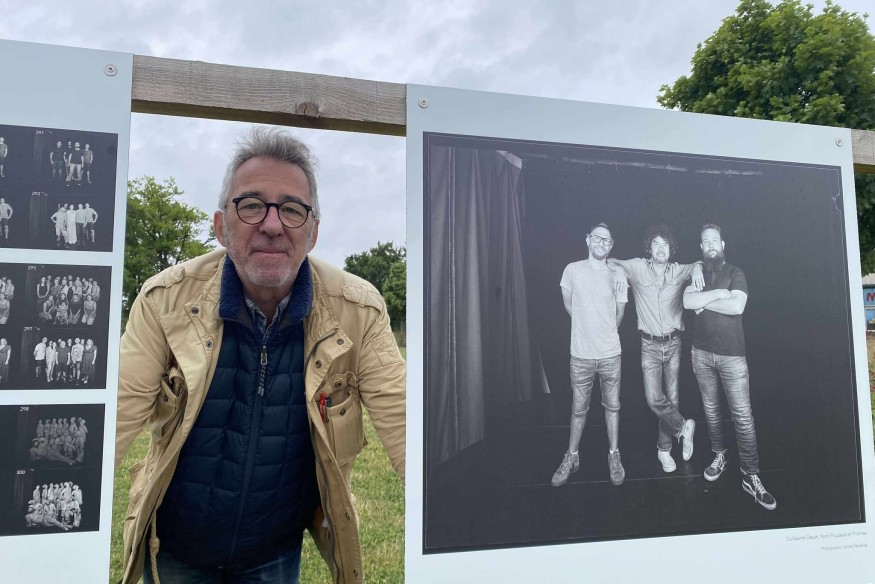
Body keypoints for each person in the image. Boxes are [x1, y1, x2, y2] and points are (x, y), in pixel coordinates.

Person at [115, 127, 406, 584]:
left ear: (312, 233)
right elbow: (111, 421)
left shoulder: (359, 309)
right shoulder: (163, 301)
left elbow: (406, 427)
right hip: (174, 550)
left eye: (292, 209)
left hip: (272, 555)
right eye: (251, 205)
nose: (272, 224)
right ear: (221, 227)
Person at [683, 223, 777, 510]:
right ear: (701, 247)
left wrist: (706, 301)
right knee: (711, 411)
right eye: (705, 241)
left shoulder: (736, 272)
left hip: (732, 356)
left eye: (715, 240)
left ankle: (750, 475)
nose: (710, 244)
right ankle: (719, 455)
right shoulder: (695, 273)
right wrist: (719, 295)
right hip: (700, 354)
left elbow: (738, 307)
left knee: (743, 417)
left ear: (722, 244)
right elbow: (688, 302)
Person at [609, 225, 701, 472]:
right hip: (648, 344)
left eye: (666, 245)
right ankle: (684, 428)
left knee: (672, 398)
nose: (661, 249)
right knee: (653, 398)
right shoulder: (637, 266)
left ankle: (664, 450)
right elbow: (610, 261)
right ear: (649, 247)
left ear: (671, 249)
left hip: (674, 343)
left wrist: (699, 267)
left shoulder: (680, 270)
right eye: (656, 244)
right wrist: (618, 271)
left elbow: (696, 264)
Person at [552, 222, 628, 488]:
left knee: (613, 407)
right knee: (578, 409)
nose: (601, 243)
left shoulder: (618, 275)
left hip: (610, 354)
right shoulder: (572, 270)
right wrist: (587, 326)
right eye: (597, 238)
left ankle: (614, 455)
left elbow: (620, 312)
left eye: (607, 241)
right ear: (587, 240)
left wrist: (603, 331)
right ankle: (571, 457)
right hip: (581, 355)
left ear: (611, 247)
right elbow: (568, 304)